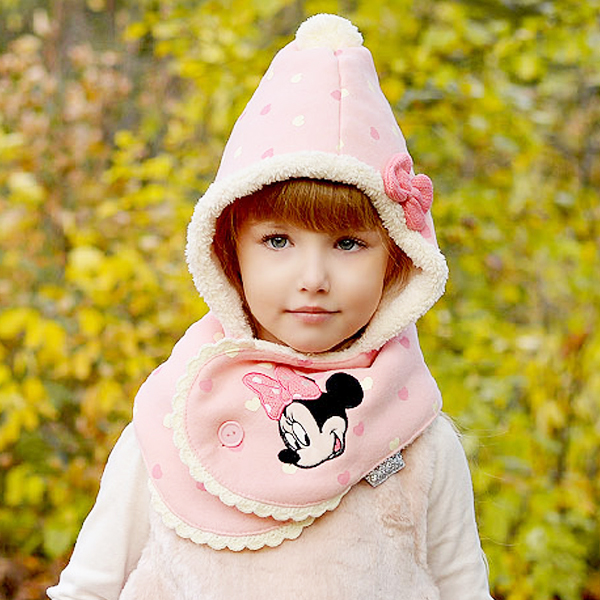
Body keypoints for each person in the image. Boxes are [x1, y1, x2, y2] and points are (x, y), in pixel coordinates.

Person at [48, 14, 493, 599]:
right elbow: (88, 590)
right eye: (278, 241)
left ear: (397, 260)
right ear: (229, 250)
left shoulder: (417, 438)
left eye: (348, 244)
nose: (313, 279)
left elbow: (464, 590)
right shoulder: (176, 422)